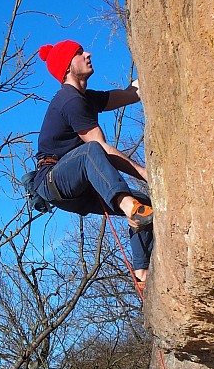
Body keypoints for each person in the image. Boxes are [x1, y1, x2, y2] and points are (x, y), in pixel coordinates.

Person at [32, 38, 153, 286]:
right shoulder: (70, 100)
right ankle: (130, 208)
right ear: (67, 67)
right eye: (79, 52)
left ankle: (142, 274)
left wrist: (148, 78)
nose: (87, 53)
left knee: (147, 206)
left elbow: (128, 96)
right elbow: (102, 149)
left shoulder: (86, 98)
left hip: (77, 186)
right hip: (53, 179)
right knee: (92, 150)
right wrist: (145, 173)